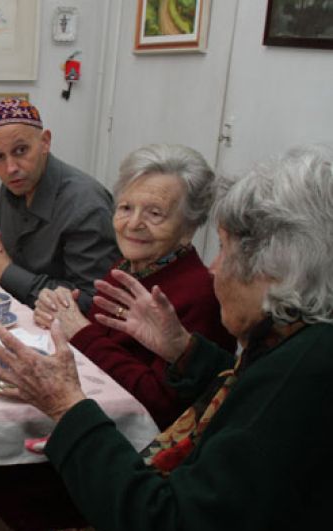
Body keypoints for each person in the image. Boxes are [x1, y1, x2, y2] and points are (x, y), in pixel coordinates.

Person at [0, 144, 333, 531]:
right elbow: (237, 395)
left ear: (274, 267)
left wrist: (66, 407)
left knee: (2, 482)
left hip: (149, 511)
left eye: (224, 248)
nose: (215, 267)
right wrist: (185, 351)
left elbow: (168, 530)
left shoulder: (302, 373)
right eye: (127, 208)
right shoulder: (295, 341)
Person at [33, 144, 235, 429]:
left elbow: (159, 404)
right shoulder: (128, 266)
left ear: (189, 227)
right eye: (126, 208)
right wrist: (62, 313)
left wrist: (80, 331)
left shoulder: (200, 294)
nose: (133, 224)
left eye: (155, 214)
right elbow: (102, 343)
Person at [0, 97, 120, 313]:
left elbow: (94, 303)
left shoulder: (86, 205)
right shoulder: (14, 186)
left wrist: (6, 271)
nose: (11, 167)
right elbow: (7, 259)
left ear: (45, 142)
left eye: (21, 150)